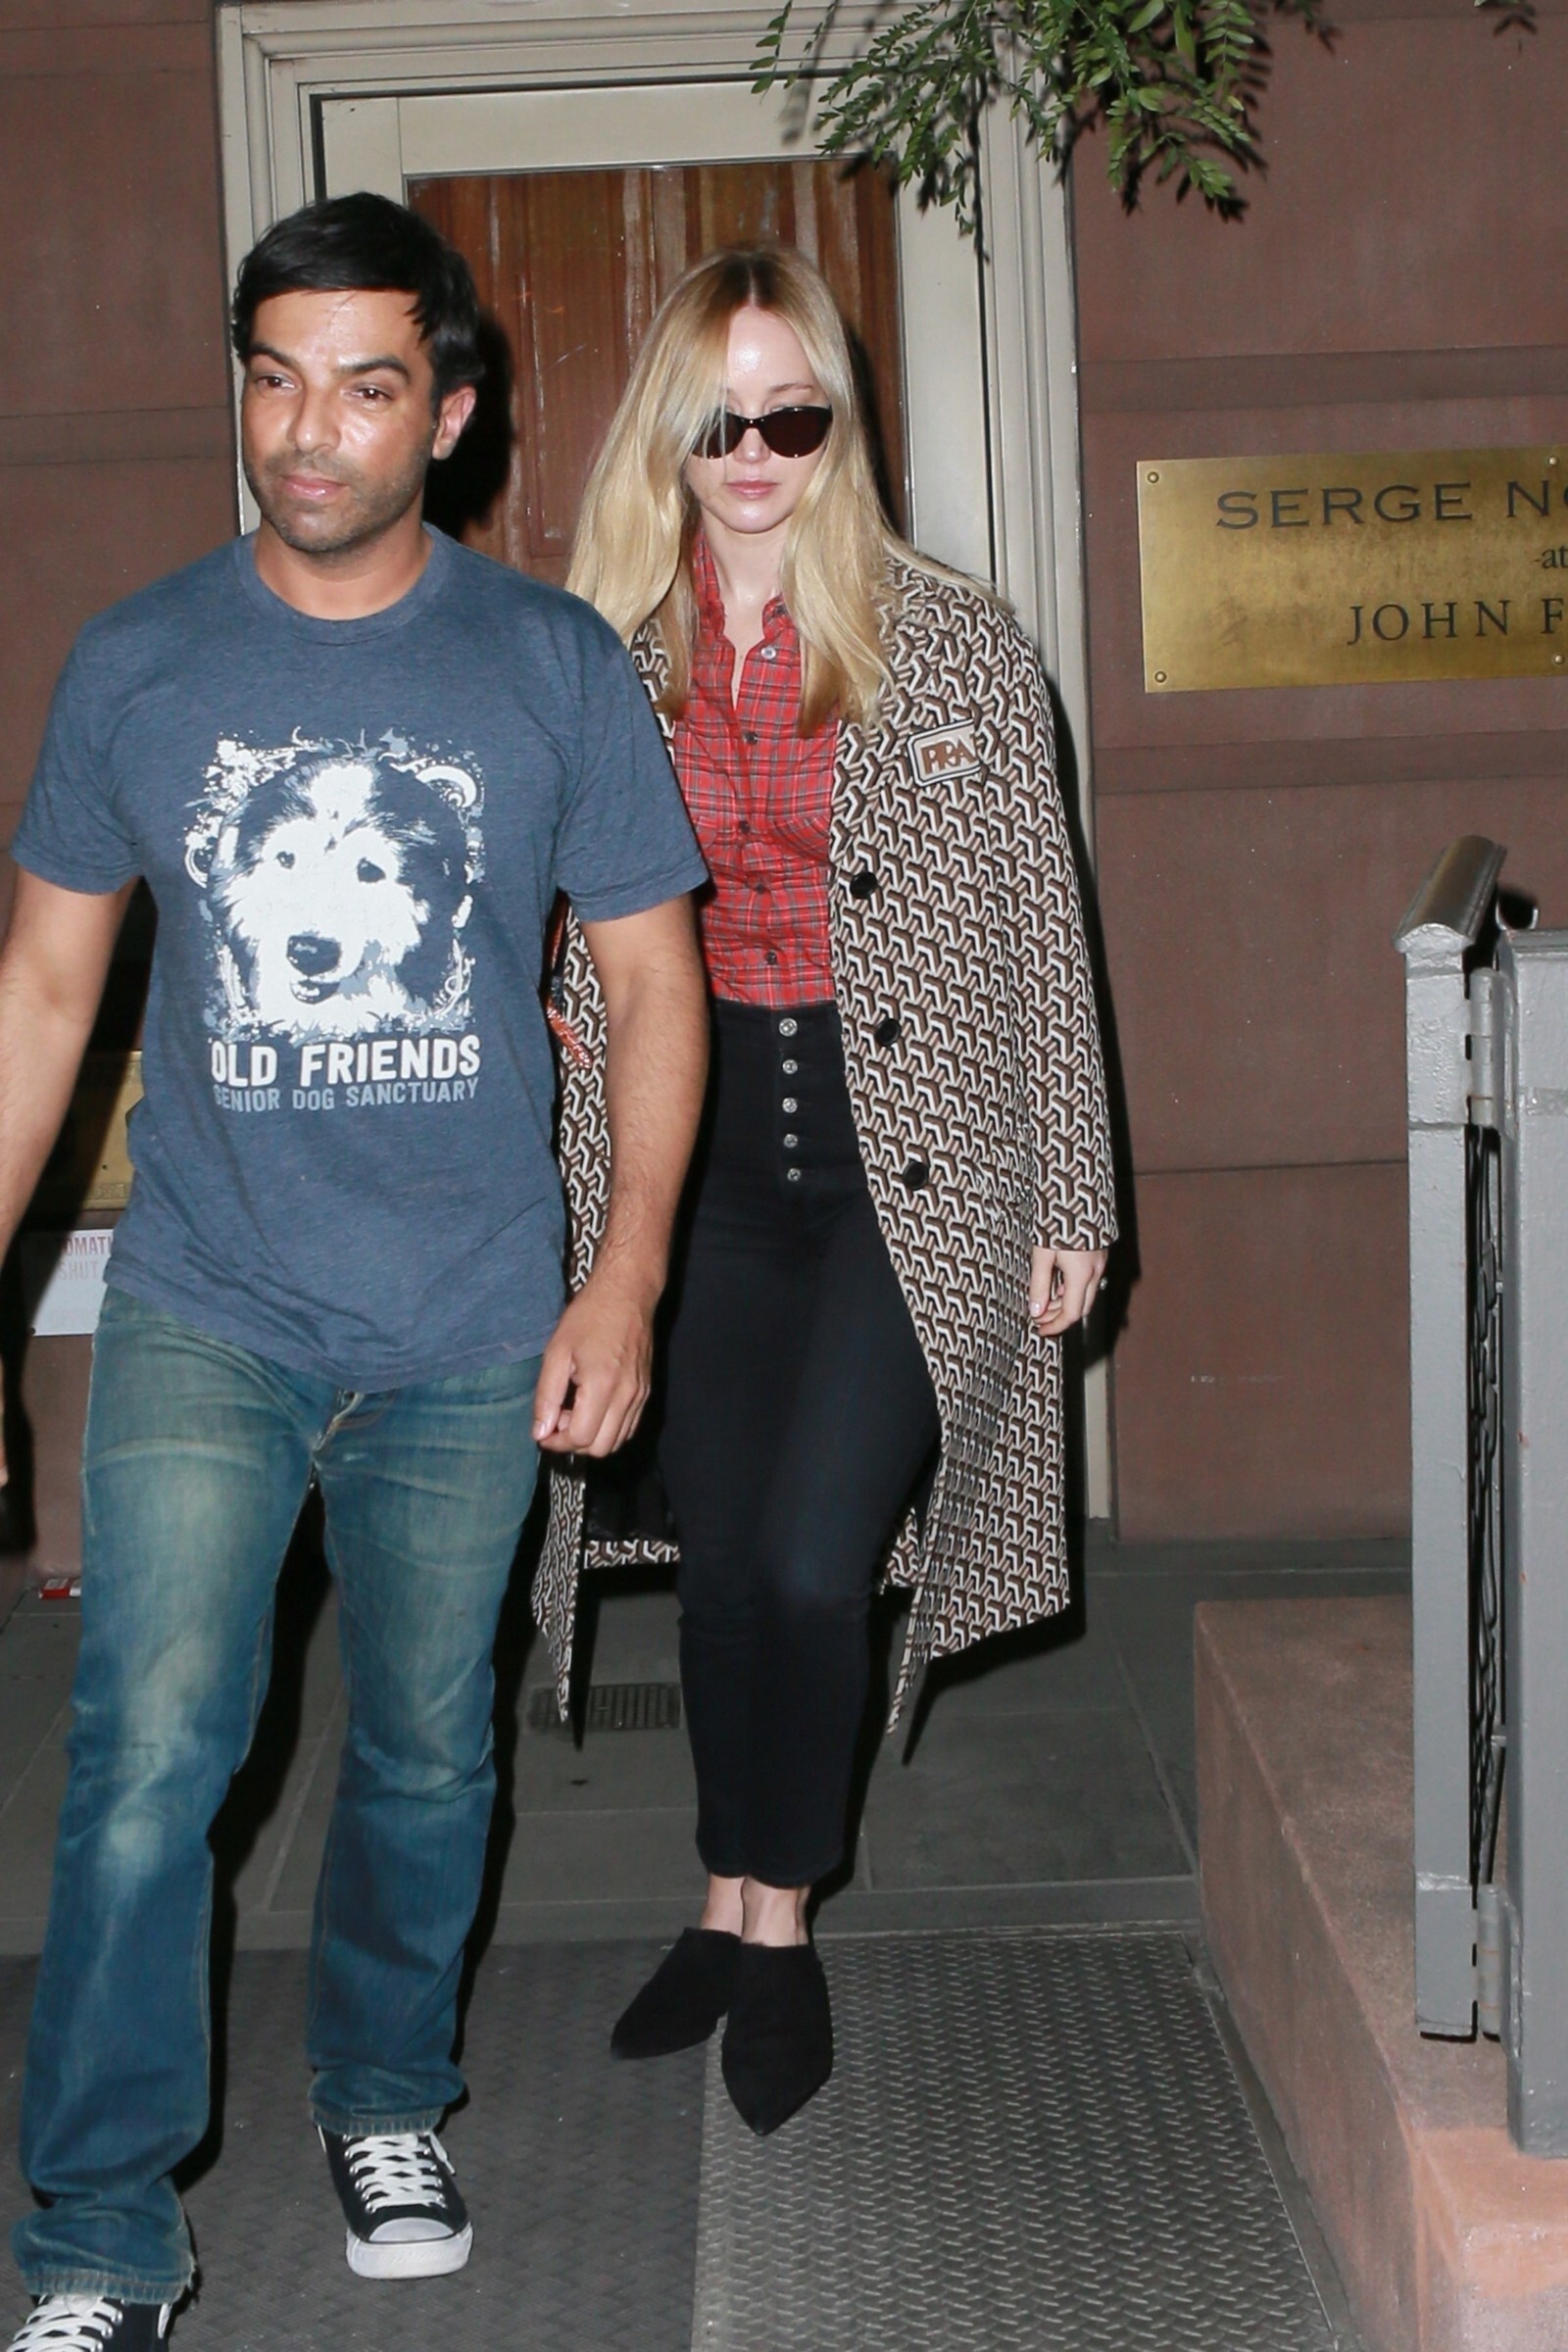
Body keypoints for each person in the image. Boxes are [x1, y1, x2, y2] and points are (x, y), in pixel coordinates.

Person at [1, 193, 708, 2352]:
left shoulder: (546, 666)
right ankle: (96, 2231)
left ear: (449, 412)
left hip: (471, 1317)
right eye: (274, 379)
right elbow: (43, 993)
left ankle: (386, 2095)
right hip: (209, 1299)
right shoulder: (136, 663)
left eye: (365, 386)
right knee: (147, 1756)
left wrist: (622, 1285)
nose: (309, 431)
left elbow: (653, 985)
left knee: (422, 1750)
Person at [542, 246, 1117, 2139]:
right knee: (721, 1563)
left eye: (791, 416)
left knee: (811, 1561)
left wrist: (1075, 1188)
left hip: (911, 1167)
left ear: (837, 427)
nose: (755, 453)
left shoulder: (956, 644)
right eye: (719, 420)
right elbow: (531, 895)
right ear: (667, 434)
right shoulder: (598, 656)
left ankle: (779, 1925)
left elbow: (1046, 929)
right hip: (691, 1155)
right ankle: (724, 1896)